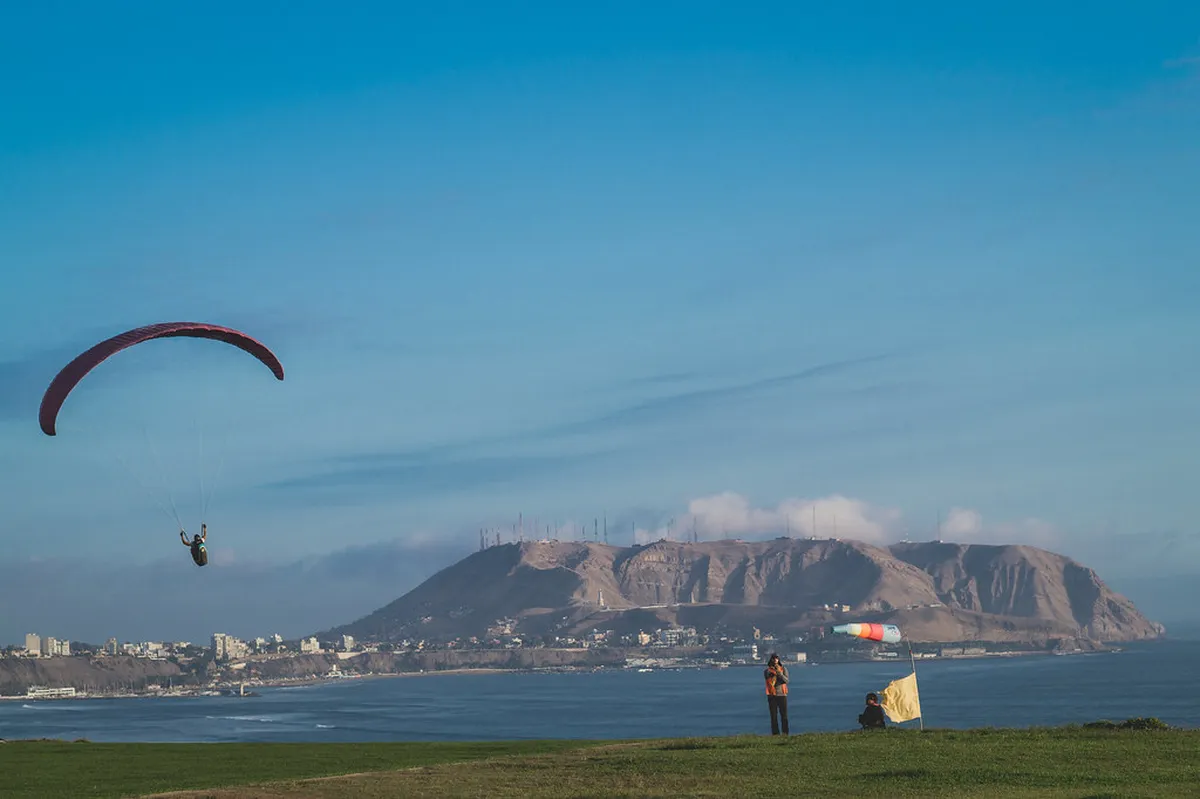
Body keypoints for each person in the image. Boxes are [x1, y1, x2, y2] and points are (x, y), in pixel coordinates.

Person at [763, 652, 789, 735]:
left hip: (782, 694)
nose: (775, 660)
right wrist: (773, 673)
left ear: (779, 659)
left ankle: (785, 733)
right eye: (773, 658)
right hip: (772, 695)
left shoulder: (783, 669)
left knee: (784, 715)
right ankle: (775, 734)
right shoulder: (767, 671)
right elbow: (768, 679)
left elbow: (786, 681)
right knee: (773, 716)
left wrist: (779, 674)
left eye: (776, 658)